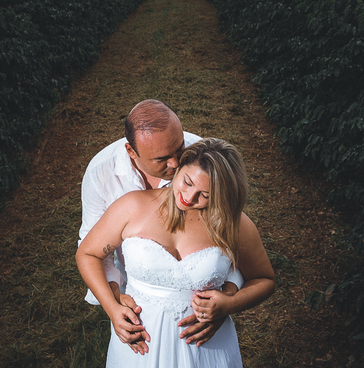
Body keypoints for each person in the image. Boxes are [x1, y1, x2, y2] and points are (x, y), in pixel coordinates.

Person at [77, 138, 276, 367]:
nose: (189, 198)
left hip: (205, 350)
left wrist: (229, 304)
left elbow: (264, 279)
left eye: (206, 195)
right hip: (139, 348)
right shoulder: (132, 206)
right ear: (179, 168)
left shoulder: (234, 223)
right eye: (187, 182)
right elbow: (88, 254)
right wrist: (112, 309)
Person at [80, 101, 243, 348]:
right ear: (131, 152)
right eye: (162, 159)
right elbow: (93, 248)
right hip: (137, 293)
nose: (176, 164)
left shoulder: (200, 160)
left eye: (179, 149)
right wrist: (113, 303)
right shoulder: (100, 173)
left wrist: (227, 300)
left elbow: (229, 237)